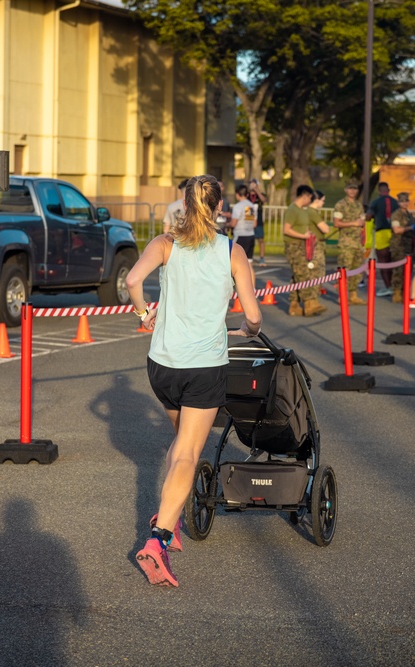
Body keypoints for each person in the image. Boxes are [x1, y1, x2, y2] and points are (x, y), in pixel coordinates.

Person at [125, 174, 262, 586]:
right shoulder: (231, 251)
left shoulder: (165, 243)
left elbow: (132, 281)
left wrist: (143, 314)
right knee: (188, 453)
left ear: (183, 205)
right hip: (204, 365)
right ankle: (158, 539)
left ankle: (171, 517)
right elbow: (253, 315)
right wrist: (248, 329)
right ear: (221, 208)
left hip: (163, 364)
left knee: (179, 442)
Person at [283, 185, 327, 317]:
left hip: (302, 246)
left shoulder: (302, 210)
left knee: (298, 275)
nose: (311, 200)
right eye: (310, 197)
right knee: (303, 275)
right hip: (294, 246)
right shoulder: (292, 210)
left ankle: (294, 304)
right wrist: (304, 236)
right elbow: (287, 229)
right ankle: (309, 304)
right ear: (305, 196)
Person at [331, 182, 367, 305]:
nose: (352, 191)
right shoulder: (341, 204)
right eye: (350, 188)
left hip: (357, 242)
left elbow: (362, 222)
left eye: (354, 188)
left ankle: (353, 295)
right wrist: (353, 223)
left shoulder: (359, 205)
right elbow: (336, 223)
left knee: (356, 270)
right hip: (346, 242)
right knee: (344, 270)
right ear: (345, 190)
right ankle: (342, 296)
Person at [367, 182, 398, 297]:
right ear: (388, 190)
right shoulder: (395, 202)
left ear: (379, 191)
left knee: (383, 260)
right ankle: (397, 286)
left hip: (381, 232)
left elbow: (368, 216)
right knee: (394, 261)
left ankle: (388, 287)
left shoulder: (375, 202)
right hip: (394, 233)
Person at [388, 191, 414, 303]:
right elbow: (397, 230)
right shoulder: (396, 215)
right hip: (398, 245)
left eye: (406, 201)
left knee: (407, 270)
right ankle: (397, 293)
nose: (404, 203)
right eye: (402, 201)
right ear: (398, 202)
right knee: (398, 271)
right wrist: (410, 227)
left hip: (408, 246)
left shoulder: (409, 215)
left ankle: (405, 292)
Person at [307, 190, 330, 296]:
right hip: (315, 244)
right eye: (322, 200)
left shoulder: (309, 211)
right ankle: (313, 297)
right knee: (317, 271)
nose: (323, 203)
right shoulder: (312, 212)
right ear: (316, 200)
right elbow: (325, 229)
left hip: (314, 244)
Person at [230, 185, 258, 260]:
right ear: (247, 194)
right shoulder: (251, 206)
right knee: (248, 263)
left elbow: (233, 223)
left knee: (234, 260)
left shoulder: (238, 206)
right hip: (250, 235)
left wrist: (228, 224)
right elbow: (254, 224)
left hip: (240, 235)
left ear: (237, 194)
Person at [247, 179, 268, 266]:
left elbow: (264, 200)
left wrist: (257, 191)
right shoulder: (246, 195)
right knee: (249, 239)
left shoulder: (260, 195)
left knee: (260, 239)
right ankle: (248, 257)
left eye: (254, 184)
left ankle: (262, 258)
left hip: (258, 218)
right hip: (248, 217)